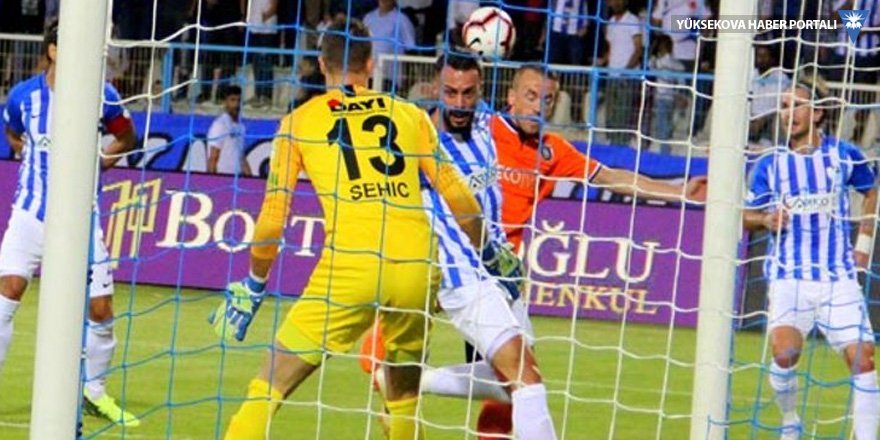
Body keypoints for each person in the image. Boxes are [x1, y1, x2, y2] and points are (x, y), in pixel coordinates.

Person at [210, 19, 485, 440]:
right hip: (416, 264)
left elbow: (273, 219)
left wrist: (254, 282)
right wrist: (486, 251)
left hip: (351, 266)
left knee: (269, 384)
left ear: (322, 64)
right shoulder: (409, 114)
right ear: (371, 63)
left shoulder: (300, 122)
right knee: (403, 397)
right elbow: (461, 200)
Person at [359, 53, 558, 440]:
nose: (460, 103)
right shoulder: (417, 142)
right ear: (435, 89)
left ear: (481, 90)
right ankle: (404, 377)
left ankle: (406, 379)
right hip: (462, 275)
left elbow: (523, 113)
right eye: (450, 92)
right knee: (526, 380)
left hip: (499, 269)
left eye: (468, 93)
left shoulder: (485, 123)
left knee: (515, 381)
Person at [0, 20, 139, 427]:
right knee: (7, 293)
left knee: (101, 308)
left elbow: (126, 136)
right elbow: (13, 134)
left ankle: (94, 392)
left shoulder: (103, 95)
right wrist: (28, 153)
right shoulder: (23, 96)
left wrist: (101, 162)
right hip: (30, 214)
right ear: (53, 50)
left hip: (82, 217)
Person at [743, 73, 879, 440]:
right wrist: (766, 220)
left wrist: (864, 244)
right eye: (784, 106)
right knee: (785, 355)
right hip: (789, 277)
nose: (789, 113)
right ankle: (790, 421)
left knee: (864, 358)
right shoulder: (770, 165)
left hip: (838, 277)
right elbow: (746, 216)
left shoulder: (843, 155)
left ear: (817, 113)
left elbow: (871, 190)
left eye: (797, 105)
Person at [207, 85, 252, 176]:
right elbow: (213, 158)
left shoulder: (241, 127)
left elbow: (241, 158)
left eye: (239, 100)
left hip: (237, 178)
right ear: (225, 102)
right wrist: (212, 181)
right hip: (222, 177)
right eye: (232, 100)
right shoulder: (220, 125)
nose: (236, 105)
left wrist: (250, 178)